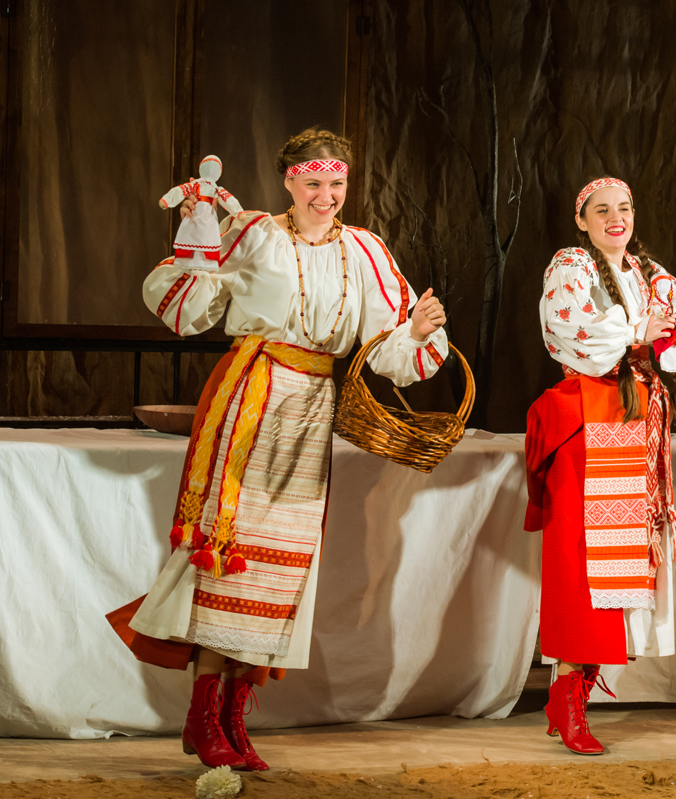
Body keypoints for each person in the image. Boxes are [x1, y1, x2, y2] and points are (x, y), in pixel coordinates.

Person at [107, 128, 449, 770]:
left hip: (313, 406)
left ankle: (234, 718)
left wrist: (419, 330)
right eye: (314, 182)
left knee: (283, 562)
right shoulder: (255, 233)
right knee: (229, 552)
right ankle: (203, 715)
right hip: (253, 395)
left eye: (337, 183)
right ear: (290, 182)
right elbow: (187, 306)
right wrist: (198, 237)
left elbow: (389, 346)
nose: (327, 195)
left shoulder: (365, 249)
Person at [524, 177, 676, 755]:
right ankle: (568, 698)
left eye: (624, 208)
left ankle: (572, 696)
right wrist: (638, 333)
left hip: (635, 421)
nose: (615, 218)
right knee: (584, 564)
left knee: (622, 567)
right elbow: (570, 328)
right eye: (601, 210)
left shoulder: (648, 272)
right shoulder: (570, 264)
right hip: (589, 420)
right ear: (582, 220)